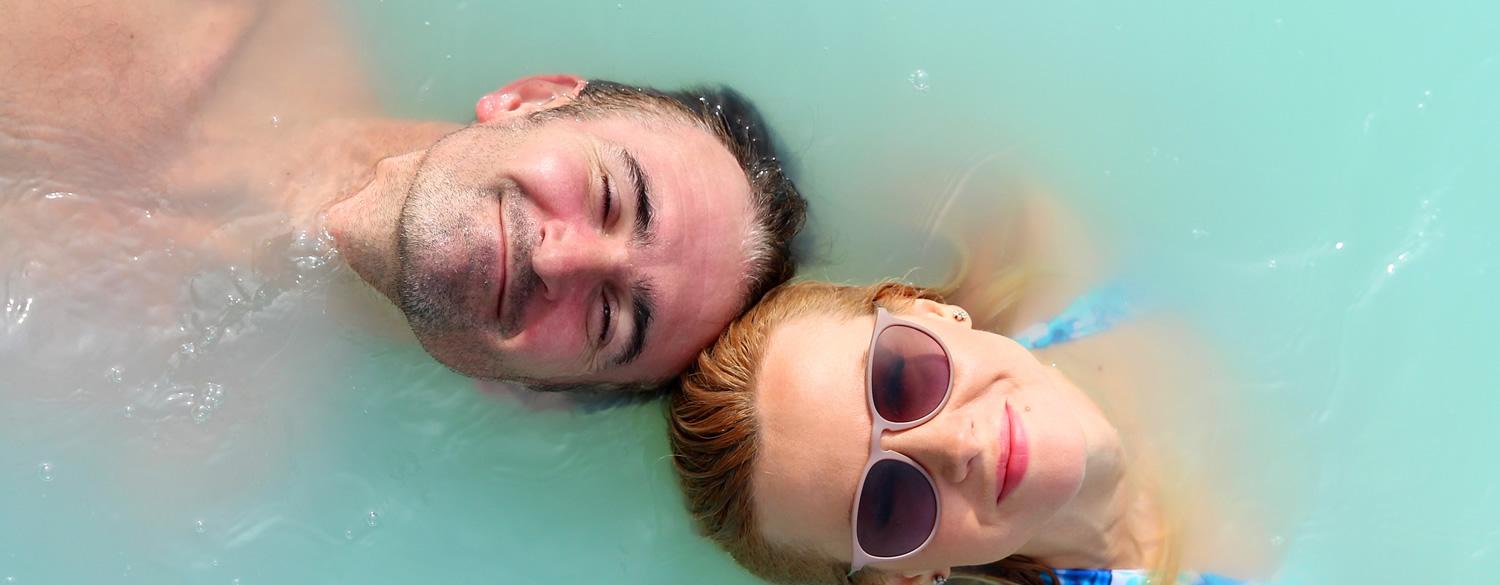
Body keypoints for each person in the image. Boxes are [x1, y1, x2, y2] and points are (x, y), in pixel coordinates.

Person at [0, 0, 806, 391]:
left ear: (537, 398)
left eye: (608, 317)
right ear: (529, 96)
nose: (568, 256)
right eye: (606, 196)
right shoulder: (162, 20)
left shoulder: (186, 450)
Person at [666, 206, 1275, 585]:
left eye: (902, 381)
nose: (953, 443)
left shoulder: (1043, 242)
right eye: (889, 504)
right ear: (906, 577)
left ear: (931, 311)